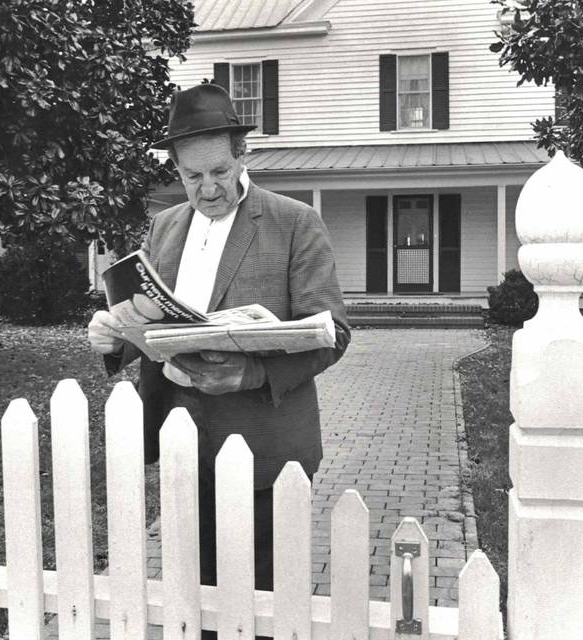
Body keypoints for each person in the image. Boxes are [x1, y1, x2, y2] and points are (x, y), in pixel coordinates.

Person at [87, 83, 350, 639]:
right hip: (183, 437)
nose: (207, 189)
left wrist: (251, 371)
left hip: (265, 440)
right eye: (191, 177)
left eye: (219, 173)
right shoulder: (165, 225)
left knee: (262, 599)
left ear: (241, 156)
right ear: (177, 170)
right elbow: (154, 322)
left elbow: (333, 333)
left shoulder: (294, 221)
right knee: (195, 590)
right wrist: (116, 339)